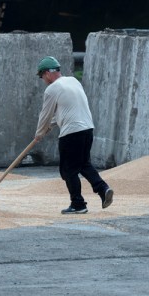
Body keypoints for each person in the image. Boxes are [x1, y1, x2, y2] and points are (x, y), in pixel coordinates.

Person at [33, 56, 114, 214]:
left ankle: (78, 204)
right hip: (87, 129)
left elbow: (46, 115)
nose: (42, 79)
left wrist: (39, 134)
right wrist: (48, 127)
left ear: (47, 73)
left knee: (68, 170)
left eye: (42, 76)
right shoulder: (73, 81)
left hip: (71, 133)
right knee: (84, 164)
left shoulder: (52, 89)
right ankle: (103, 189)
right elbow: (65, 111)